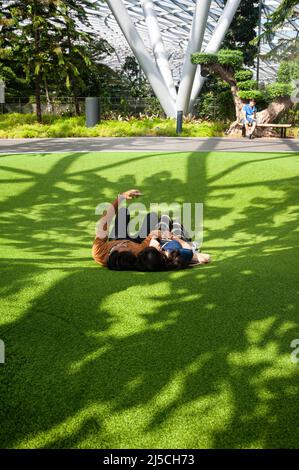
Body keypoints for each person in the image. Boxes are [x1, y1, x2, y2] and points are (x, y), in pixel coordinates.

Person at [92, 189, 210, 271]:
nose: (125, 244)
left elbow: (105, 219)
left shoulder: (98, 251)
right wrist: (159, 236)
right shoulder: (136, 251)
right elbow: (150, 238)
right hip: (140, 242)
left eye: (123, 246)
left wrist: (121, 197)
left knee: (123, 212)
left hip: (118, 237)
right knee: (152, 216)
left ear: (112, 252)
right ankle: (177, 230)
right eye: (127, 248)